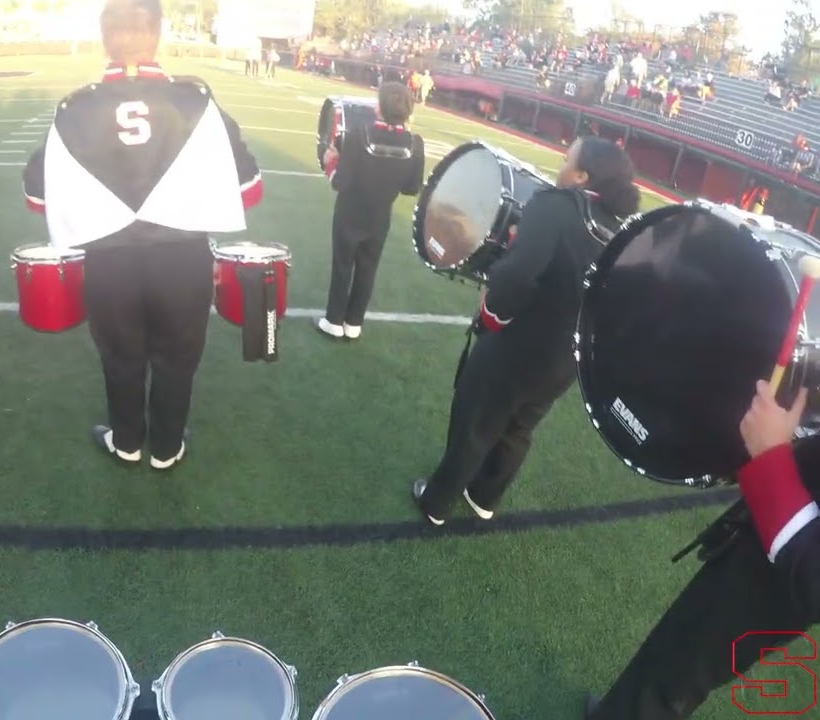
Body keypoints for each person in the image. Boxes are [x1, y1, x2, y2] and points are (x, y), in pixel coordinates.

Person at [23, 0, 262, 469]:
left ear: (104, 37)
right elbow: (249, 190)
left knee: (119, 355)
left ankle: (128, 441)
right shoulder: (196, 101)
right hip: (182, 258)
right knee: (178, 356)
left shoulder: (74, 108)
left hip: (109, 260)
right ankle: (167, 447)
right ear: (158, 33)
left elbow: (38, 198)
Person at [412, 137, 639, 524]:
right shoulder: (624, 232)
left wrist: (490, 316)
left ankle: (436, 502)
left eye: (567, 159)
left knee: (476, 419)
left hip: (517, 344)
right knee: (520, 426)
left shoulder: (557, 206)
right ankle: (484, 495)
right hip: (565, 358)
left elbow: (518, 275)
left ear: (582, 176)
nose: (560, 164)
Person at [585, 380, 820, 719]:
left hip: (787, 566)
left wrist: (771, 462)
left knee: (682, 670)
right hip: (784, 527)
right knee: (678, 646)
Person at [316, 83, 425, 340]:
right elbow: (412, 188)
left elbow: (339, 182)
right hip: (380, 216)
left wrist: (330, 162)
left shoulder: (358, 135)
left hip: (349, 212)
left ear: (380, 107)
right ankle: (354, 323)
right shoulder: (415, 143)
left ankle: (333, 320)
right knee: (368, 268)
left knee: (343, 265)